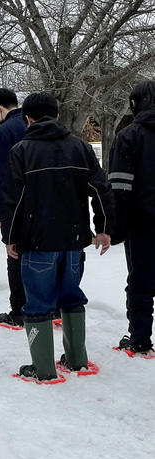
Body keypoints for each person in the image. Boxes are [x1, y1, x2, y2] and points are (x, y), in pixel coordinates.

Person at [0, 92, 114, 381]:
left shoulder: (21, 151)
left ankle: (43, 368)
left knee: (37, 303)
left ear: (28, 119)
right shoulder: (81, 147)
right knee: (71, 297)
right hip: (74, 240)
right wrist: (103, 227)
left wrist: (10, 238)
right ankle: (77, 360)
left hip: (37, 241)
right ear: (58, 115)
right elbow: (101, 189)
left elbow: (13, 200)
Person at [109, 80, 155, 355]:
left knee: (140, 280)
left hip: (143, 222)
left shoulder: (129, 136)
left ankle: (139, 339)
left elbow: (119, 187)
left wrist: (116, 226)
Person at [0, 88, 28, 328]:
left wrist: (0, 212)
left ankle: (19, 310)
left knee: (14, 256)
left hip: (14, 204)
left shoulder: (5, 131)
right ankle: (50, 306)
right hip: (42, 203)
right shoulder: (33, 122)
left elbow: (0, 175)